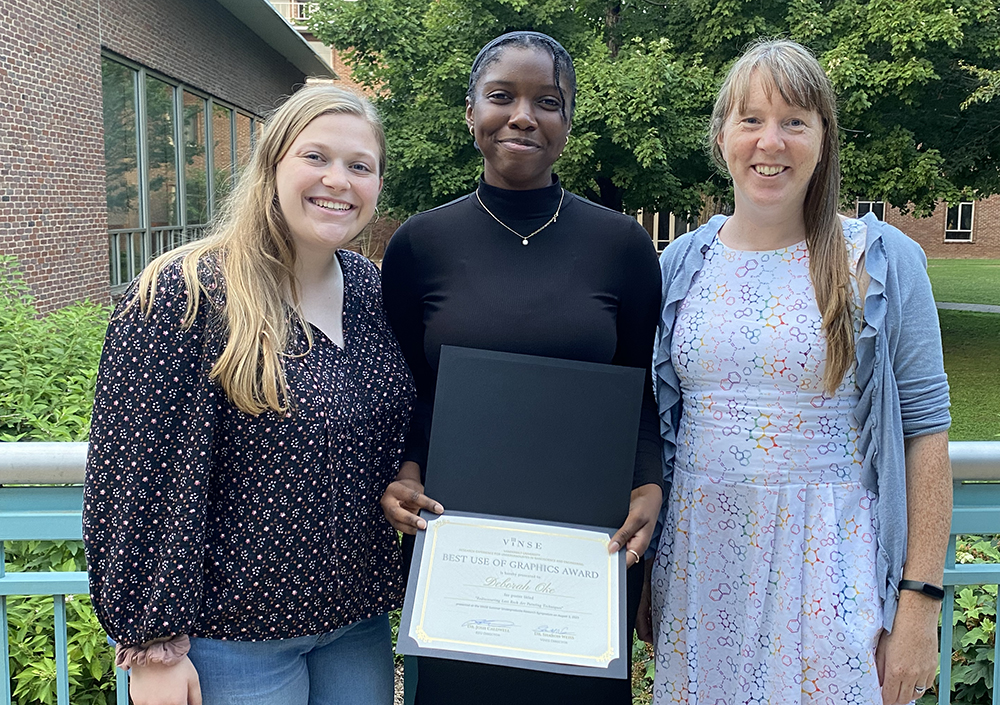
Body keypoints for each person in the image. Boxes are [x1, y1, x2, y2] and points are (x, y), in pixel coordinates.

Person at [643, 39, 953, 705]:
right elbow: (656, 430)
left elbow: (926, 432)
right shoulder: (678, 267)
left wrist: (921, 603)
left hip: (830, 568)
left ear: (823, 137)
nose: (770, 142)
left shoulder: (881, 259)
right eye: (751, 119)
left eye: (795, 121)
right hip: (701, 569)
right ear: (722, 133)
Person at [83, 85, 414, 705]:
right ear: (272, 166)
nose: (337, 180)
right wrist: (153, 646)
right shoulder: (185, 294)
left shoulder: (375, 293)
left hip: (356, 626)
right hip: (230, 640)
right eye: (315, 157)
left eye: (359, 166)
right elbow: (134, 475)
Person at [378, 30, 663, 705]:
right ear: (470, 111)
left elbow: (639, 389)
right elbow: (409, 394)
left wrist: (650, 483)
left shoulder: (621, 246)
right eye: (502, 96)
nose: (524, 116)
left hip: (584, 554)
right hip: (462, 551)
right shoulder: (421, 243)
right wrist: (406, 470)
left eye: (549, 101)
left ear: (568, 122)